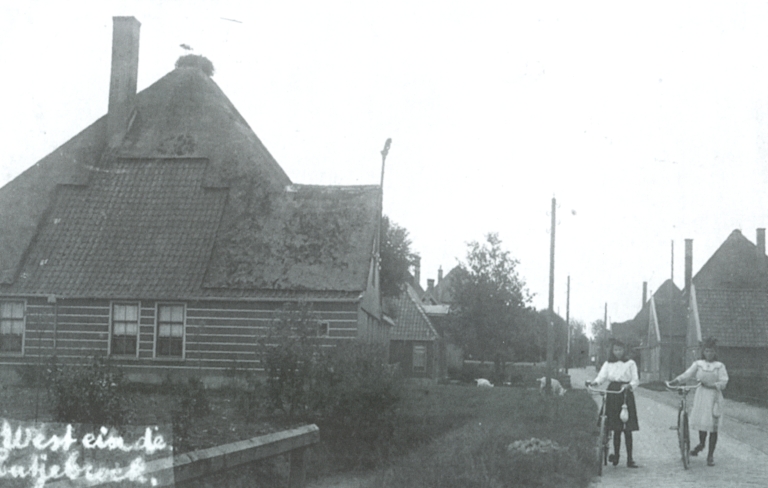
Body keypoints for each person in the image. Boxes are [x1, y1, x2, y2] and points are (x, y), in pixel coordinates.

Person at [669, 337, 728, 467]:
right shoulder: (698, 364)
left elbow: (724, 382)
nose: (709, 353)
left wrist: (714, 385)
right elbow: (687, 374)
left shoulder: (719, 366)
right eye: (707, 351)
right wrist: (675, 381)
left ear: (715, 352)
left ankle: (710, 455)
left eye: (711, 351)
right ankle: (701, 444)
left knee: (713, 426)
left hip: (714, 396)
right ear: (703, 352)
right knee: (702, 422)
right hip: (701, 394)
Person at [588, 339, 640, 468]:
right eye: (615, 350)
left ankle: (630, 459)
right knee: (616, 428)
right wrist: (595, 382)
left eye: (620, 350)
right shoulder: (608, 363)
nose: (618, 352)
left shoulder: (630, 363)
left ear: (624, 350)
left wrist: (630, 385)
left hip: (625, 393)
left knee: (627, 428)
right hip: (613, 392)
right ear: (612, 350)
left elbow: (635, 379)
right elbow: (601, 376)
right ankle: (616, 456)